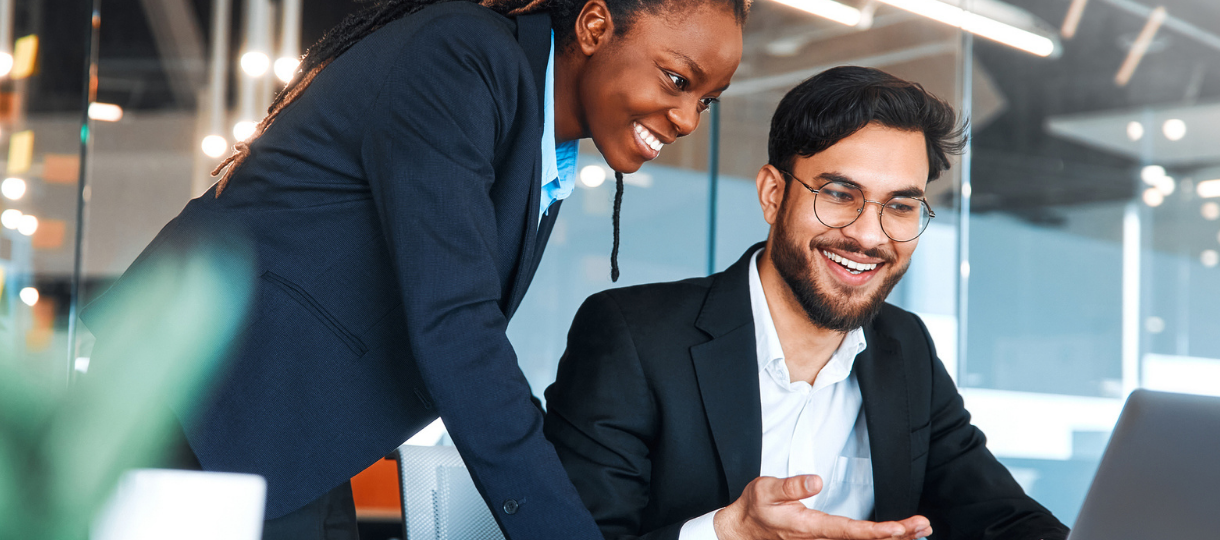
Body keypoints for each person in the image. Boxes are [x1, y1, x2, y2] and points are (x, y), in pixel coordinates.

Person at [80, 0, 745, 538]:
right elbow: (457, 327)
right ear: (595, 25)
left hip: (285, 434)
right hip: (196, 402)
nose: (687, 118)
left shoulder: (536, 135)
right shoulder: (463, 58)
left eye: (706, 100)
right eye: (677, 79)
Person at [542, 66, 1070, 540]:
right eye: (839, 194)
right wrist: (726, 534)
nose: (869, 236)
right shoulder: (632, 336)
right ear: (774, 195)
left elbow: (1001, 516)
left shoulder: (904, 347)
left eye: (901, 206)